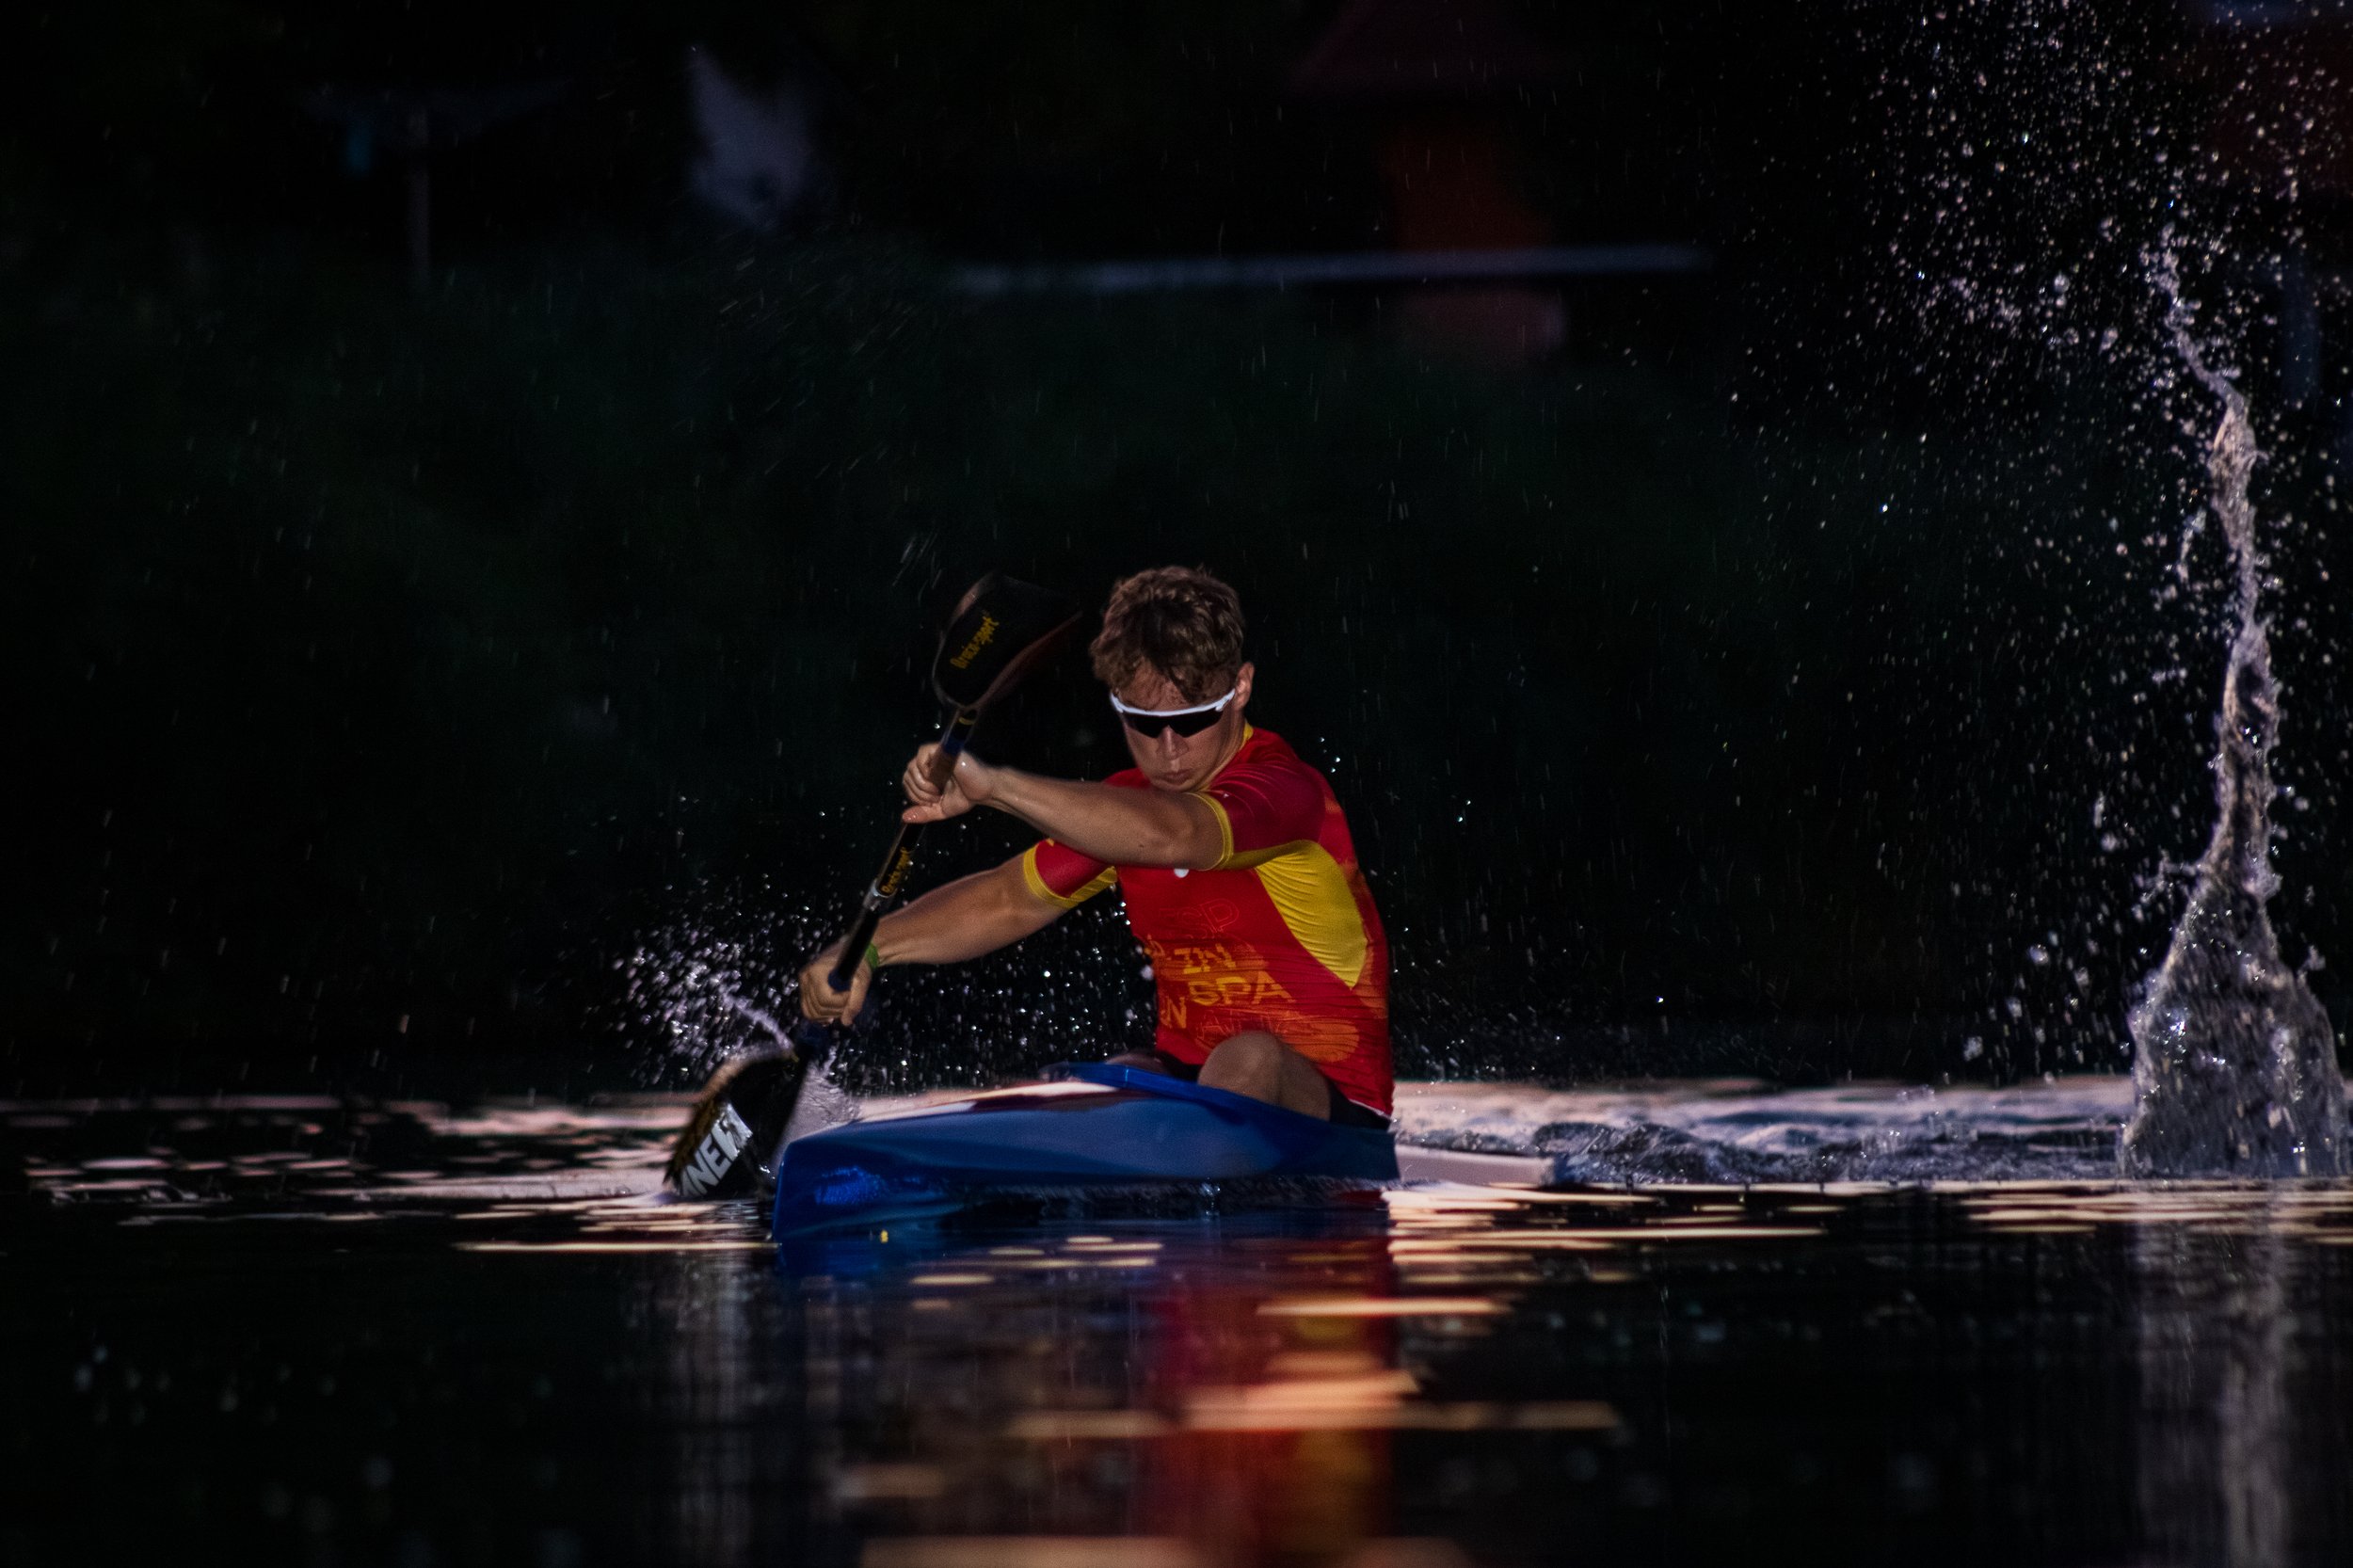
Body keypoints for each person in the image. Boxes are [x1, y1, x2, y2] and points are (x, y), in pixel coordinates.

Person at [798, 566, 1392, 1124]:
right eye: (1142, 722)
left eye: (1191, 721)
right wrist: (866, 948)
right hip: (1190, 1085)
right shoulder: (1120, 812)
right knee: (1109, 1080)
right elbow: (1010, 899)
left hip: (1332, 1103)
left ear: (1240, 689)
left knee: (1248, 1057)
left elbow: (1177, 833)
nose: (1169, 750)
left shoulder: (1286, 791)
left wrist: (998, 788)